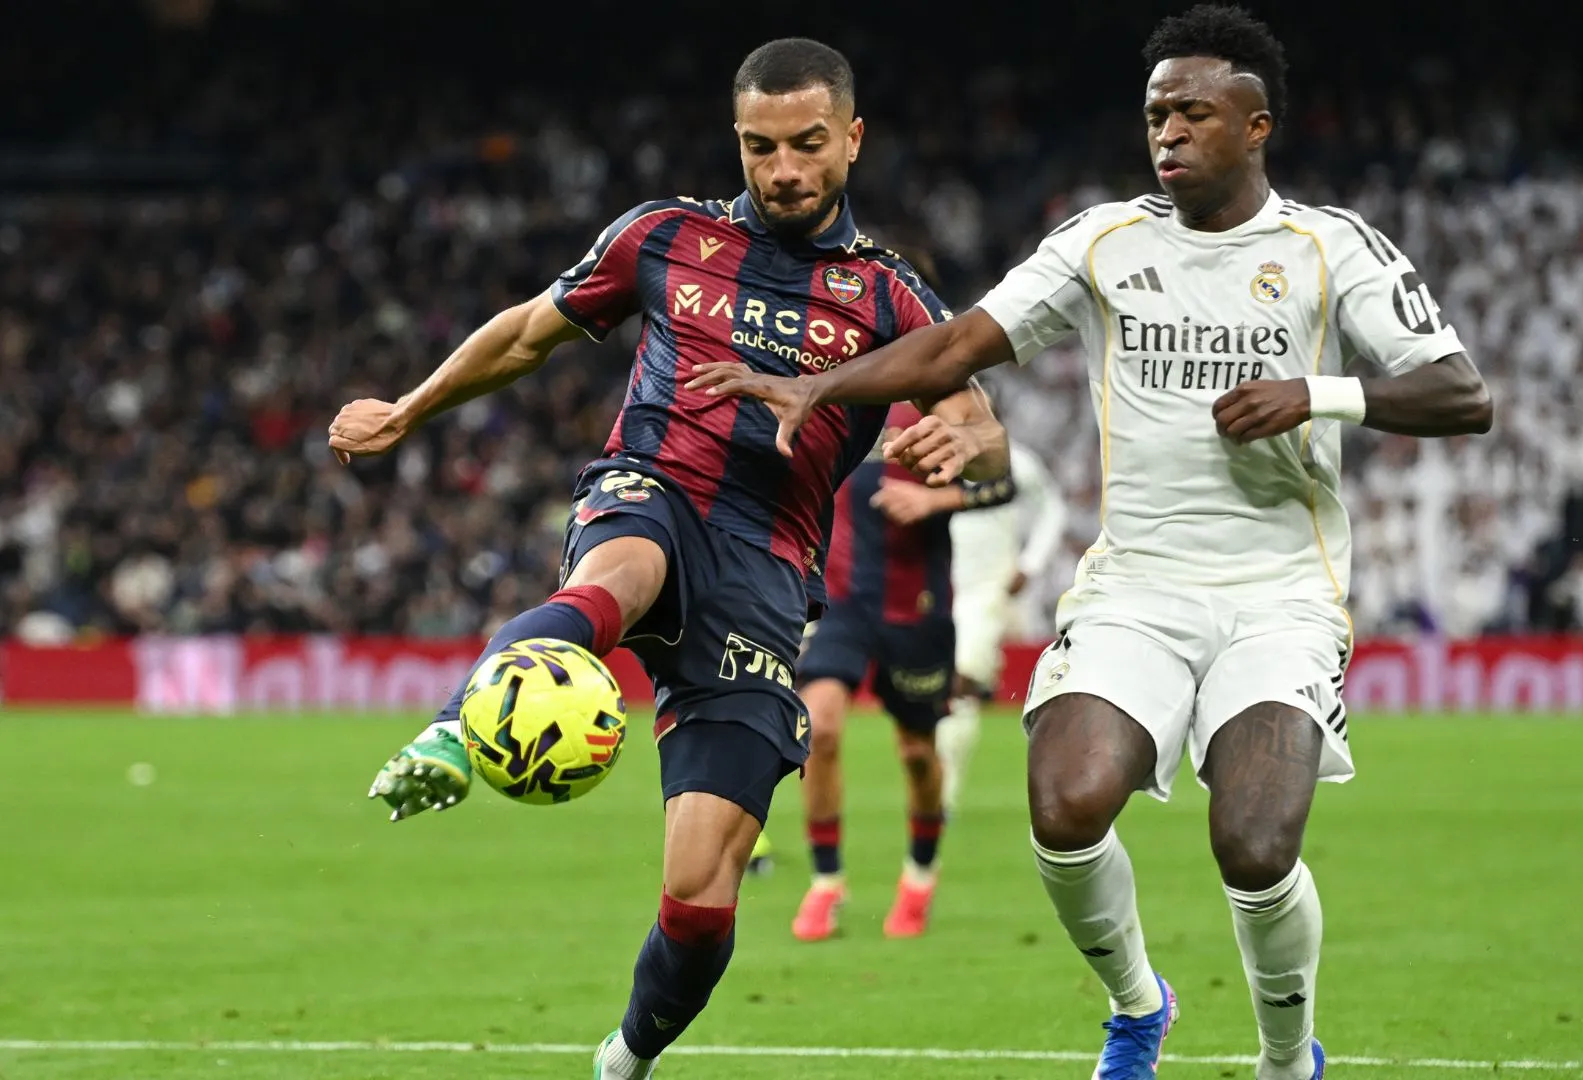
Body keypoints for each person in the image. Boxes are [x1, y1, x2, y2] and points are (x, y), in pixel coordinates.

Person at [690, 7, 1492, 1079]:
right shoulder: (1103, 241)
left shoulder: (1328, 248)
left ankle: (1286, 1057)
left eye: (1194, 113)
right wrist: (817, 384)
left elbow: (1461, 393)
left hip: (1278, 595)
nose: (1167, 133)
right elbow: (960, 341)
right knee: (1064, 806)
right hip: (1134, 590)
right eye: (1157, 113)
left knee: (1253, 844)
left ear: (1257, 126)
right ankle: (1136, 1005)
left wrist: (1318, 393)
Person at [325, 38, 1007, 1080]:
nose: (782, 170)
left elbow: (976, 413)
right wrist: (409, 410)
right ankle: (464, 726)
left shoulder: (890, 297)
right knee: (617, 572)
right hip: (655, 488)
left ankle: (627, 1058)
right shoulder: (663, 236)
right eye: (759, 146)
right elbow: (524, 336)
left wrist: (967, 440)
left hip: (769, 572)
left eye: (808, 145)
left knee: (699, 894)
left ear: (853, 141)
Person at [789, 400, 1017, 942]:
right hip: (840, 602)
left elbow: (1005, 483)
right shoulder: (837, 380)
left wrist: (936, 498)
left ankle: (919, 877)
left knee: (917, 754)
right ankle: (826, 883)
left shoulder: (946, 392)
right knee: (818, 729)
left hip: (917, 606)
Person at [940, 439, 1069, 810]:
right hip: (936, 587)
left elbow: (1052, 508)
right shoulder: (936, 454)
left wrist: (1030, 564)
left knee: (960, 681)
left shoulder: (1015, 461)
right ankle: (937, 790)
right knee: (940, 690)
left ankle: (944, 796)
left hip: (986, 591)